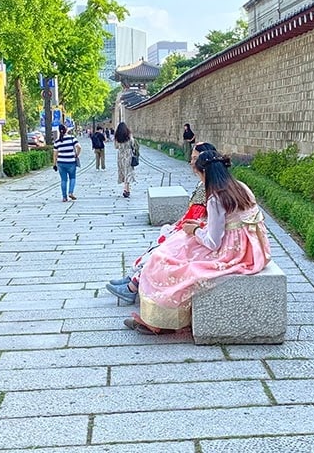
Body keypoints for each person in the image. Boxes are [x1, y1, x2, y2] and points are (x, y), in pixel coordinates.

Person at [122, 149, 271, 334]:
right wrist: (201, 227)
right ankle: (161, 318)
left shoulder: (216, 198)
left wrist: (196, 230)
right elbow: (234, 223)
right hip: (253, 247)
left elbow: (213, 243)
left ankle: (158, 321)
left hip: (232, 252)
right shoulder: (240, 187)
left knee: (166, 259)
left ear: (205, 173)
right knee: (178, 244)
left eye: (198, 174)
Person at [105, 142, 216, 305]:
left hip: (201, 235)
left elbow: (199, 216)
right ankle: (132, 279)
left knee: (165, 250)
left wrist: (181, 229)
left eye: (194, 159)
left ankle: (132, 286)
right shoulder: (207, 184)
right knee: (159, 246)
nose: (191, 163)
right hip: (200, 230)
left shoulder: (209, 188)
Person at [52, 125, 81, 202]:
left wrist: (54, 164)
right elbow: (79, 147)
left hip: (61, 163)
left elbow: (55, 154)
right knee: (72, 178)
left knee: (63, 180)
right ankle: (70, 192)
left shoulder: (57, 141)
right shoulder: (72, 138)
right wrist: (76, 154)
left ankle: (64, 197)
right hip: (71, 161)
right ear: (66, 130)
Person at [115, 122, 138, 198]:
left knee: (123, 171)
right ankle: (126, 189)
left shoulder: (117, 137)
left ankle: (126, 189)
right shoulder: (129, 135)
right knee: (128, 172)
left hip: (121, 155)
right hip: (128, 155)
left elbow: (116, 146)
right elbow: (133, 144)